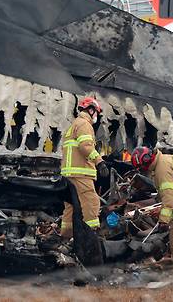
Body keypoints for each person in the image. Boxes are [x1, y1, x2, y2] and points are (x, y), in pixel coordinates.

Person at [60, 96, 104, 238]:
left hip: (69, 174)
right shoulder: (85, 124)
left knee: (71, 207)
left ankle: (66, 238)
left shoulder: (73, 125)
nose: (96, 115)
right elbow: (85, 147)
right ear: (90, 110)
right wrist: (99, 161)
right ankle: (91, 237)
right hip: (81, 173)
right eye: (96, 112)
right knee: (91, 202)